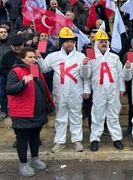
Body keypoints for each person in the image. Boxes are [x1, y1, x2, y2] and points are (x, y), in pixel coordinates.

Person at [36, 27, 88, 153]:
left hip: (76, 91)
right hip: (60, 92)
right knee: (60, 117)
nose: (70, 43)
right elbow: (44, 69)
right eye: (66, 41)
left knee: (76, 116)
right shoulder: (53, 56)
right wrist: (39, 58)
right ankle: (60, 141)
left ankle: (77, 141)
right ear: (61, 42)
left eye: (71, 41)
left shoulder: (81, 56)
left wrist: (87, 89)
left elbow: (86, 76)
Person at [6, 47, 52, 177]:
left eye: (34, 57)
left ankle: (35, 159)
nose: (33, 59)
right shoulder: (15, 71)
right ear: (22, 58)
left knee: (35, 136)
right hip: (23, 113)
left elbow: (41, 87)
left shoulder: (34, 69)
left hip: (37, 112)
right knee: (23, 138)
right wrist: (23, 82)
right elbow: (9, 89)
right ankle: (23, 163)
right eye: (30, 57)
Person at [83, 30, 125, 152]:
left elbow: (120, 74)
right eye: (101, 41)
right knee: (97, 115)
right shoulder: (91, 56)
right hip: (98, 91)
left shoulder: (115, 57)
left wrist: (122, 88)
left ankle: (117, 138)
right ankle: (95, 139)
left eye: (105, 41)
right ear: (96, 43)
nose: (103, 43)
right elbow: (87, 76)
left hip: (113, 90)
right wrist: (85, 66)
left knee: (113, 115)